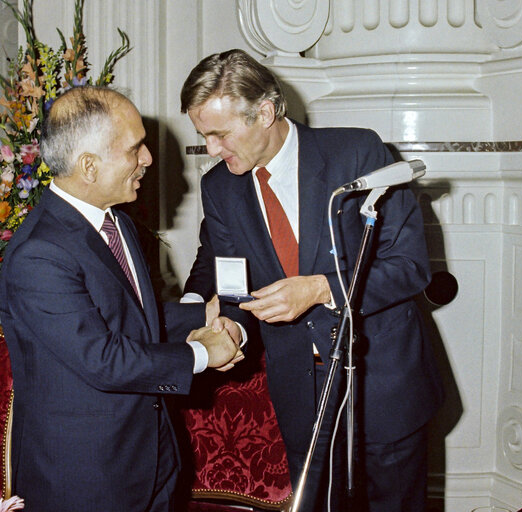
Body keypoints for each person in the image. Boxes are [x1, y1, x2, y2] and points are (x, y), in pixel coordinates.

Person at [180, 49, 444, 511]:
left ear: (265, 112)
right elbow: (236, 285)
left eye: (220, 135)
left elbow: (409, 267)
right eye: (204, 136)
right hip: (302, 393)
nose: (212, 151)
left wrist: (320, 288)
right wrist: (233, 326)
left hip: (383, 382)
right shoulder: (219, 187)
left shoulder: (357, 152)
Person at [0, 85, 243, 512]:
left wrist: (199, 313)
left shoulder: (117, 223)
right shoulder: (39, 254)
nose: (147, 159)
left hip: (150, 460)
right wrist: (203, 352)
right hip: (85, 481)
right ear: (88, 166)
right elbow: (102, 357)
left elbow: (128, 318)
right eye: (135, 148)